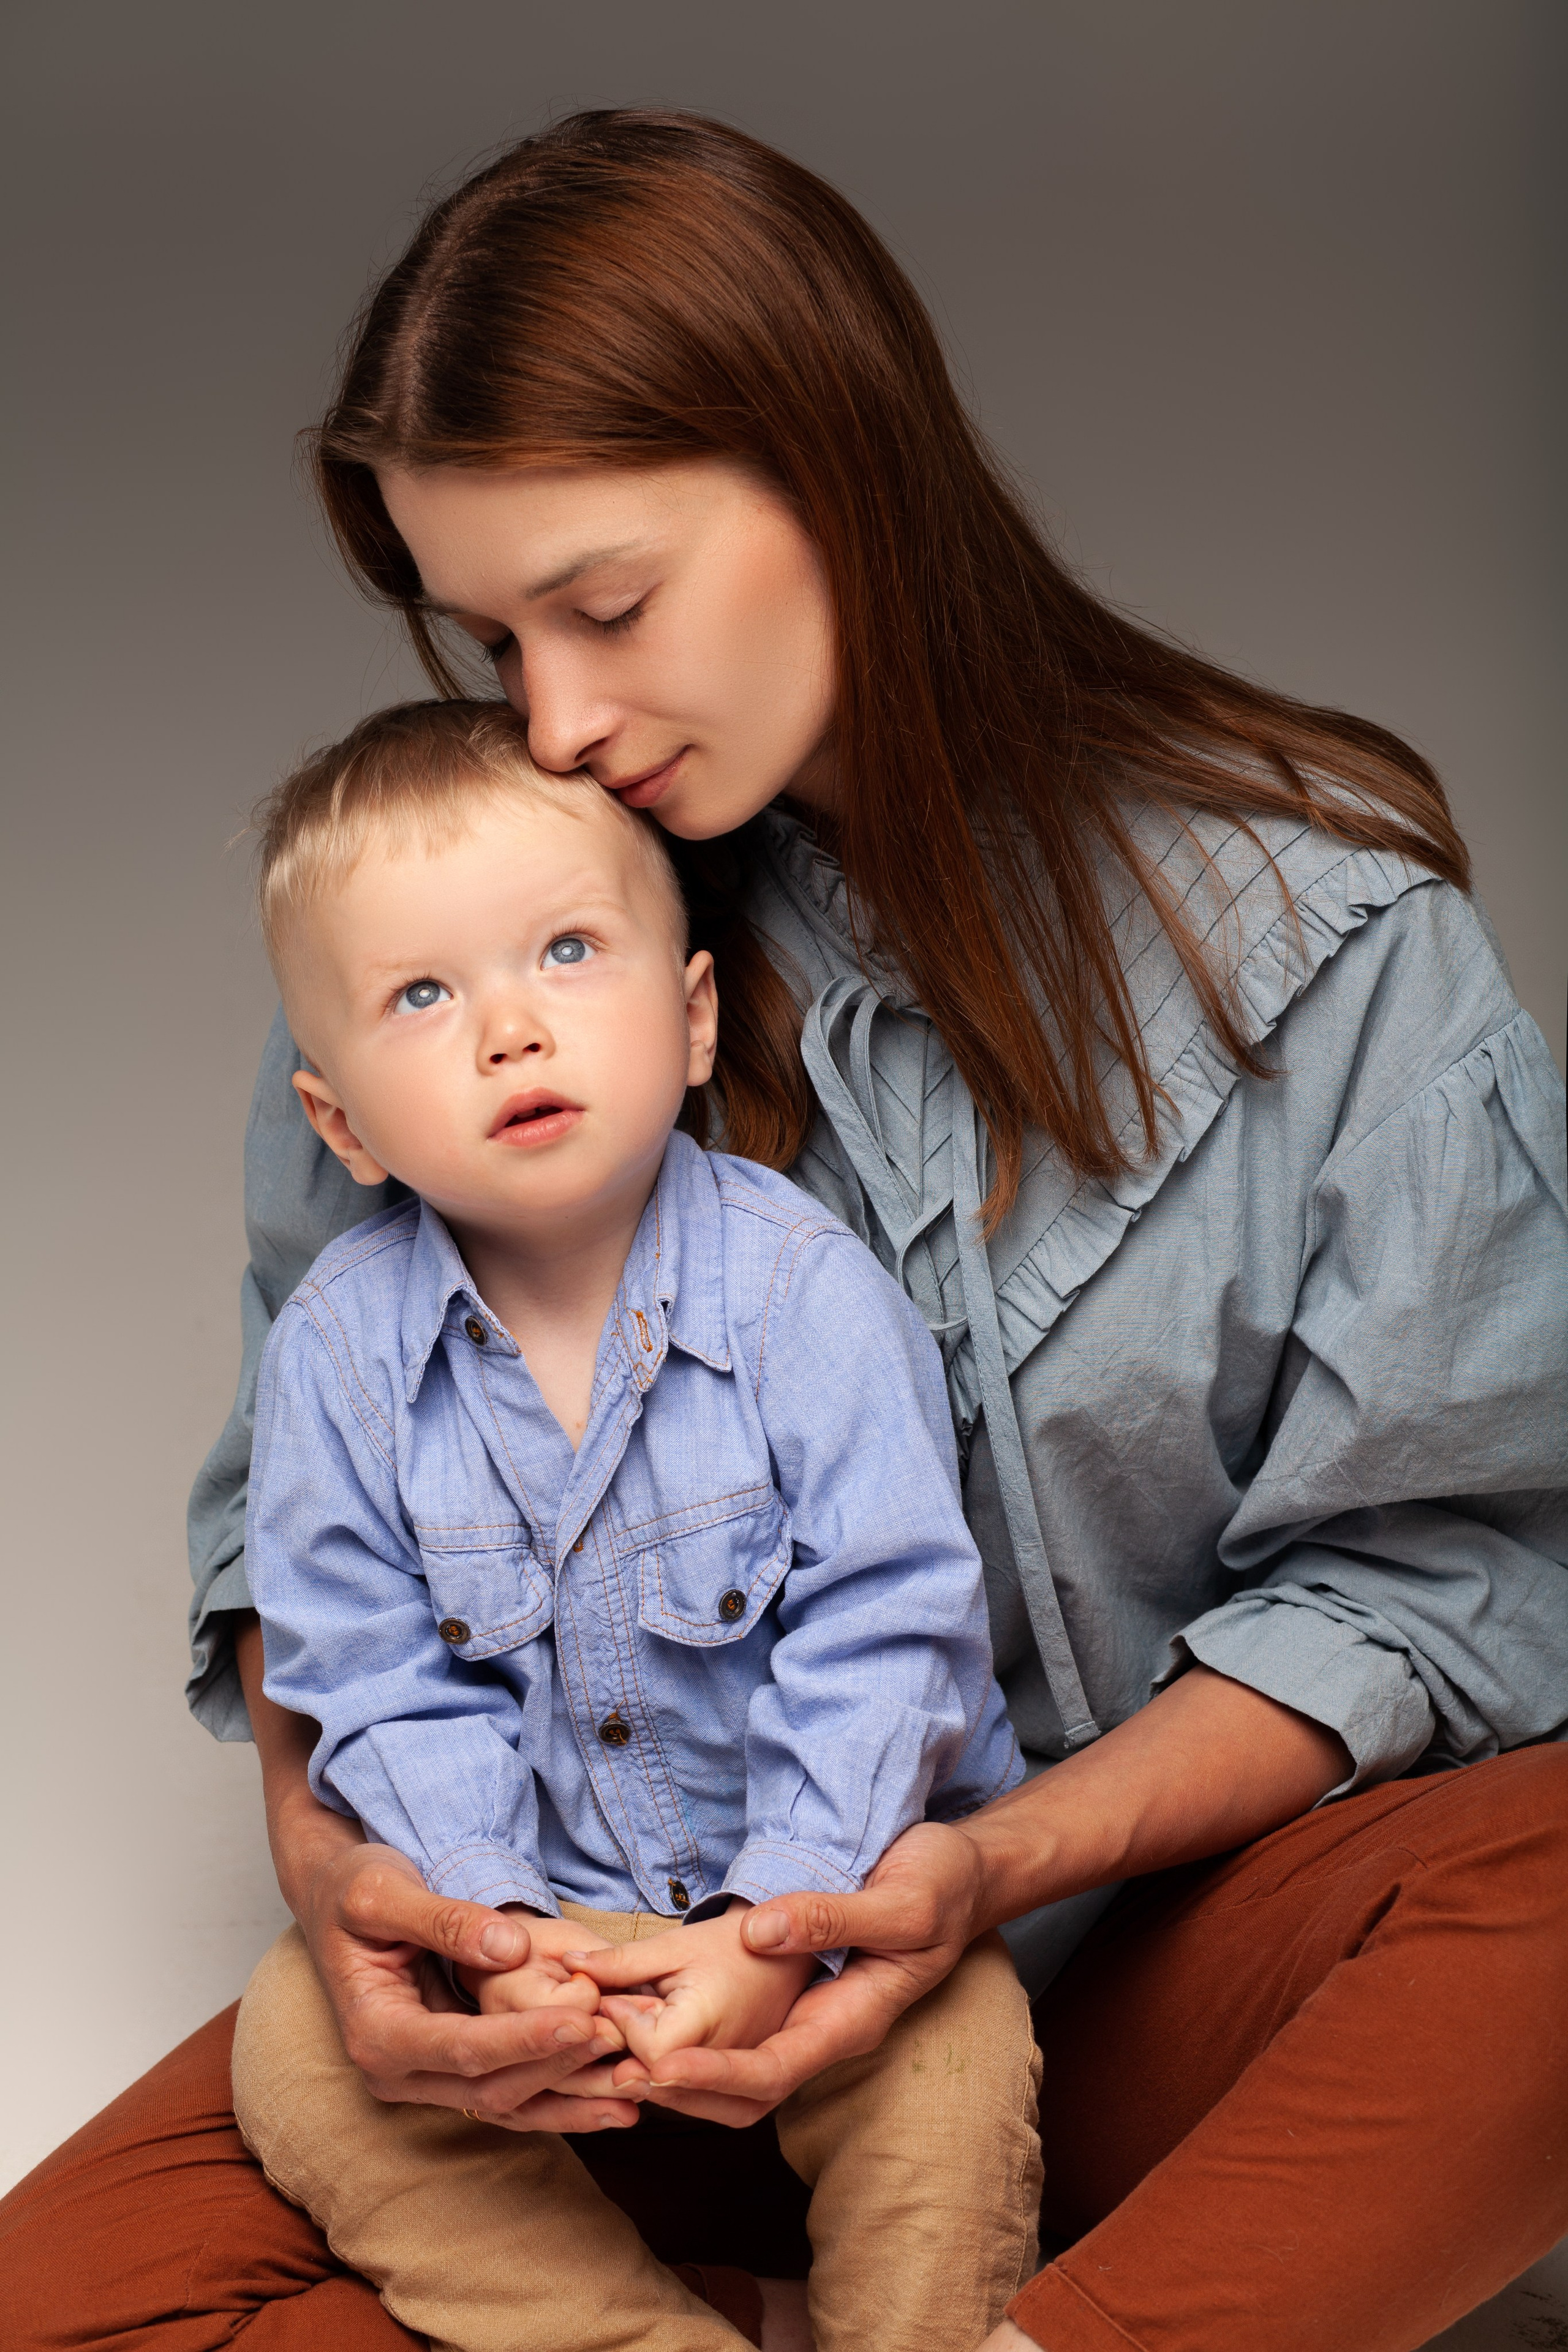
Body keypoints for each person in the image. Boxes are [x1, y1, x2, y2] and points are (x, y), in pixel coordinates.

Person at [5, 107, 1566, 2352]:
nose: (550, 718)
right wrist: (353, 1893)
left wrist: (973, 1875)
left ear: (841, 475)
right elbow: (306, 1533)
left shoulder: (1334, 955)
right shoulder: (462, 981)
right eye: (489, 634)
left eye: (605, 605)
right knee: (69, 2297)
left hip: (1128, 1991)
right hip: (611, 1997)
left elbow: (1452, 1587)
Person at [231, 695, 1039, 2352]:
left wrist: (783, 1918)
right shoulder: (337, 1354)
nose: (509, 1033)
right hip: (541, 1924)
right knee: (290, 2043)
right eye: (424, 995)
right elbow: (365, 1671)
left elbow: (896, 1620)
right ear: (343, 1125)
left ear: (690, 1022)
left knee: (958, 2048)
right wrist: (495, 1934)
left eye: (567, 953)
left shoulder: (803, 1288)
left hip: (821, 1913)